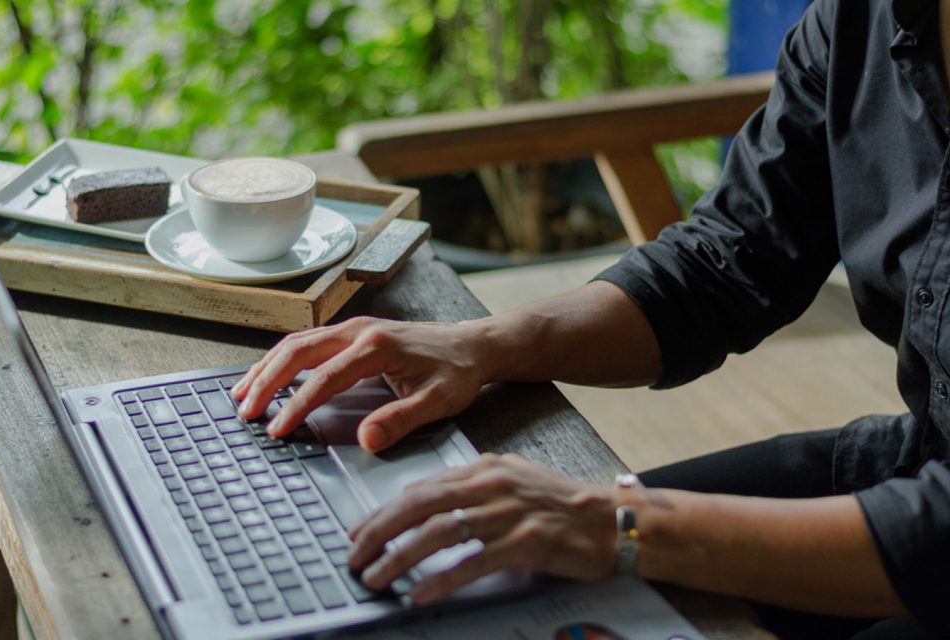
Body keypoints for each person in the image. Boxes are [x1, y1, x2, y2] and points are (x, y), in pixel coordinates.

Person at [231, 0, 950, 637]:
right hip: (919, 464)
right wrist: (481, 345)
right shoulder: (864, 18)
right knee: (493, 574)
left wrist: (624, 525)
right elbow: (728, 262)